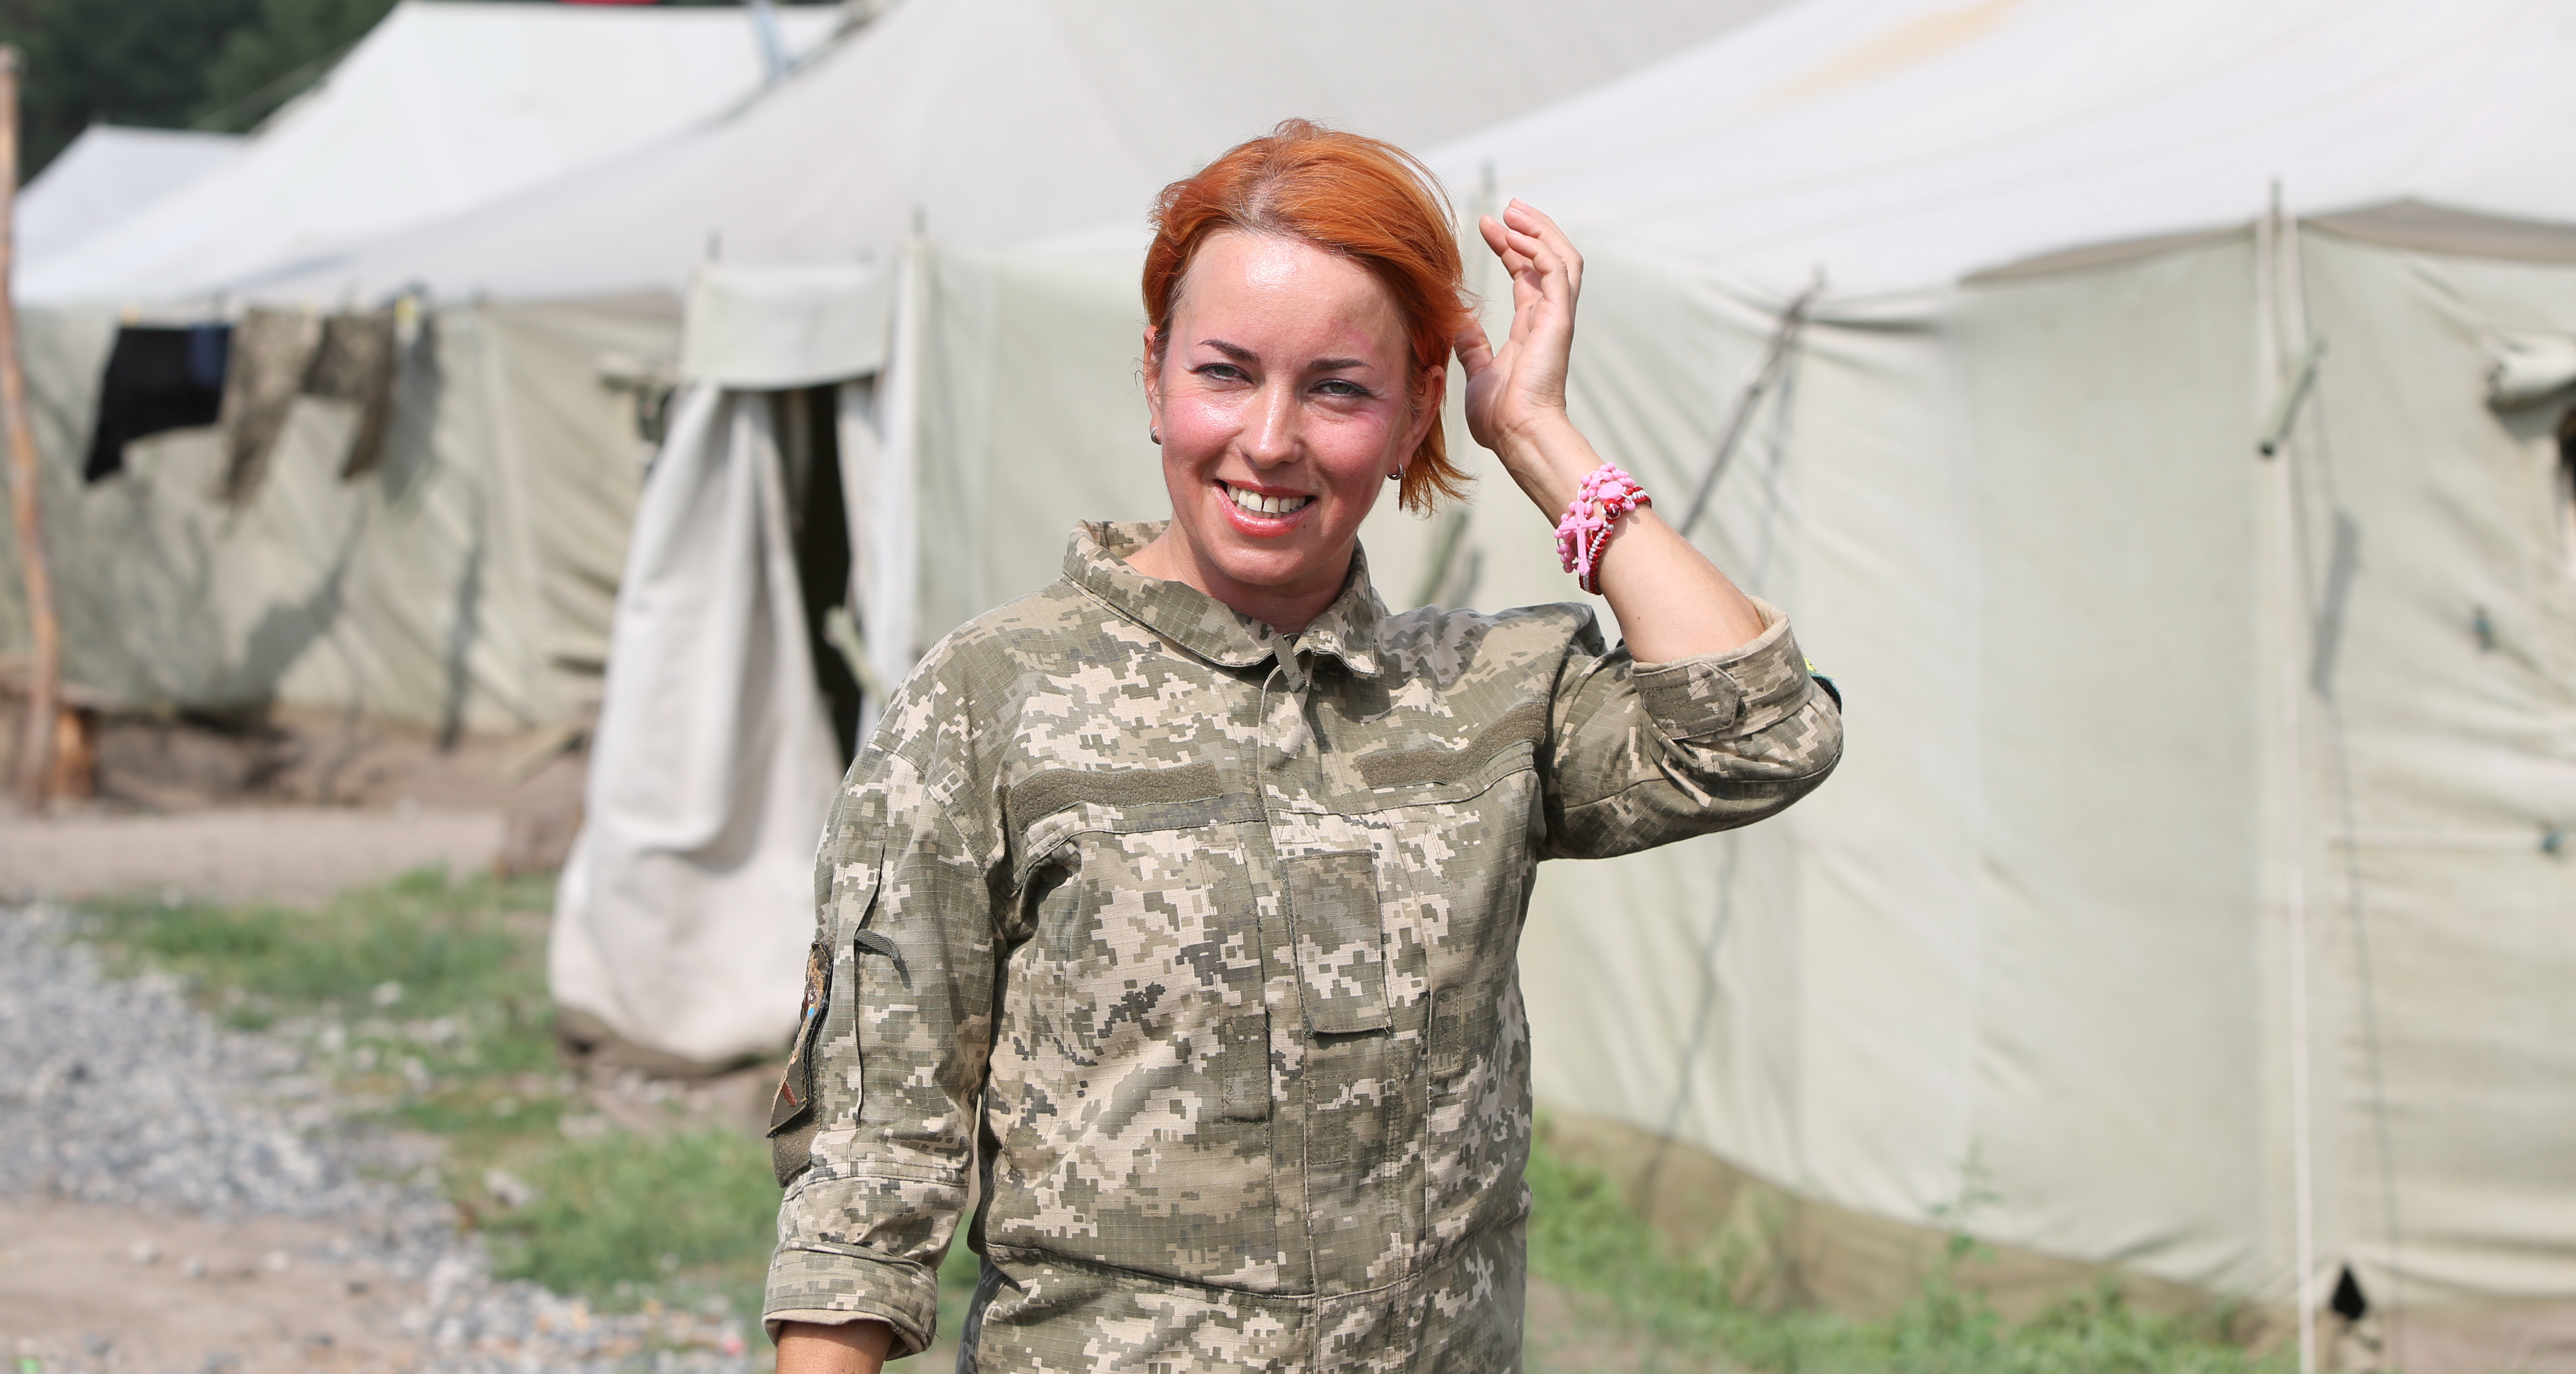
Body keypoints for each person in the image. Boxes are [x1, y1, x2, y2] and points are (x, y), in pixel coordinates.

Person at [763, 121, 1842, 1373]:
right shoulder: (990, 702)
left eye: (1338, 389)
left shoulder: (1486, 696)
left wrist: (1540, 438)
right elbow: (870, 1168)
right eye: (1225, 373)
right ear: (1155, 372)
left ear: (1415, 411)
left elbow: (1761, 736)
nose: (1271, 440)